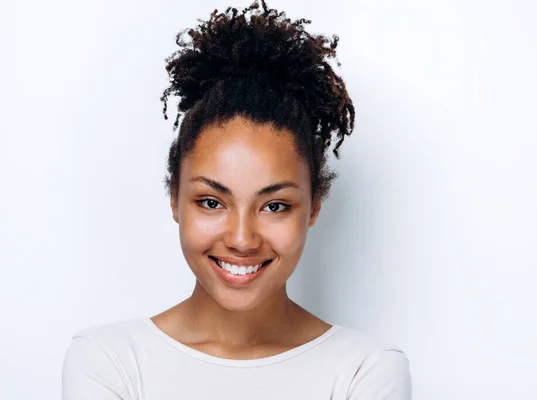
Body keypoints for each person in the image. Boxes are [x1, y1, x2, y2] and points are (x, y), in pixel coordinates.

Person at [61, 1, 412, 398]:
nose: (242, 239)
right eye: (212, 202)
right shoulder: (111, 361)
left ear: (314, 207)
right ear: (174, 198)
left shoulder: (365, 369)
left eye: (274, 205)